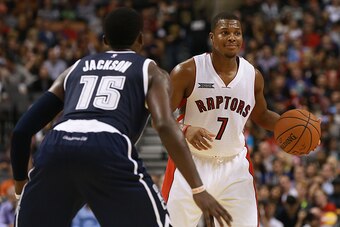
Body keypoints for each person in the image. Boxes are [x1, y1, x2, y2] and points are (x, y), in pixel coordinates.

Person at [10, 7, 232, 227]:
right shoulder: (150, 70)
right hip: (107, 144)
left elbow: (21, 131)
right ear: (141, 39)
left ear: (105, 39)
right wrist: (198, 189)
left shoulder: (75, 68)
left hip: (56, 145)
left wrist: (22, 190)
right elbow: (163, 123)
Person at [161, 12, 281, 227]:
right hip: (190, 163)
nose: (232, 37)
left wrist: (288, 126)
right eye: (225, 32)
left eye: (237, 33)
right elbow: (160, 116)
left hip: (234, 167)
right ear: (212, 37)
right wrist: (185, 128)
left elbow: (262, 115)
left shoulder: (253, 76)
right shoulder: (187, 71)